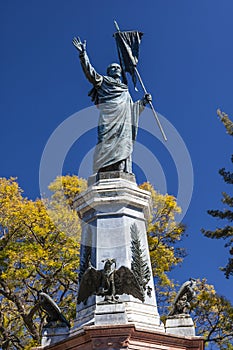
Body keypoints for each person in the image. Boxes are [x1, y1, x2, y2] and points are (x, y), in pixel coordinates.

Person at [72, 37, 152, 174]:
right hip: (108, 118)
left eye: (117, 68)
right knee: (104, 141)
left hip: (124, 122)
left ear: (120, 72)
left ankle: (121, 170)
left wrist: (143, 102)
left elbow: (132, 109)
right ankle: (103, 170)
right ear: (109, 72)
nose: (115, 69)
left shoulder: (125, 90)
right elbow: (90, 73)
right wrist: (82, 54)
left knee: (122, 144)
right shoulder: (103, 82)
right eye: (112, 68)